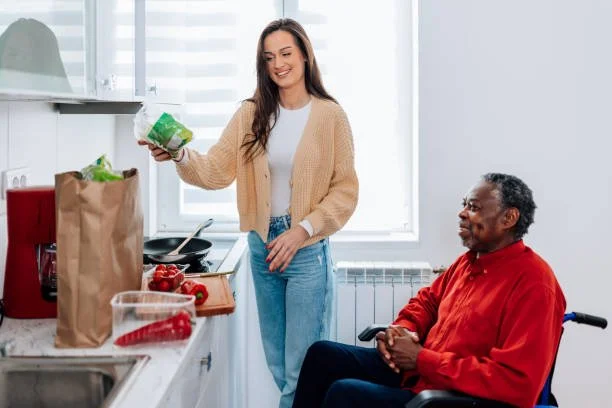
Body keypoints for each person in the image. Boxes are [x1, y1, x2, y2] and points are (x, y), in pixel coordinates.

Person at [138, 18, 358, 408]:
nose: (278, 64)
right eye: (269, 57)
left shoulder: (330, 116)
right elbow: (215, 171)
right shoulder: (251, 114)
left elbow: (345, 190)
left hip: (306, 251)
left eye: (286, 53)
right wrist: (178, 152)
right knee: (278, 364)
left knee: (303, 369)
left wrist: (302, 230)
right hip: (262, 247)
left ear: (305, 54)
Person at [292, 173, 566, 408]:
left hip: (456, 398)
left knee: (345, 393)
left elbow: (518, 384)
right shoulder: (468, 262)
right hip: (422, 375)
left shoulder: (535, 284)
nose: (461, 213)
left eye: (474, 207)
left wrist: (422, 359)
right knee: (322, 356)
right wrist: (403, 330)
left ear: (509, 217)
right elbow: (427, 302)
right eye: (464, 205)